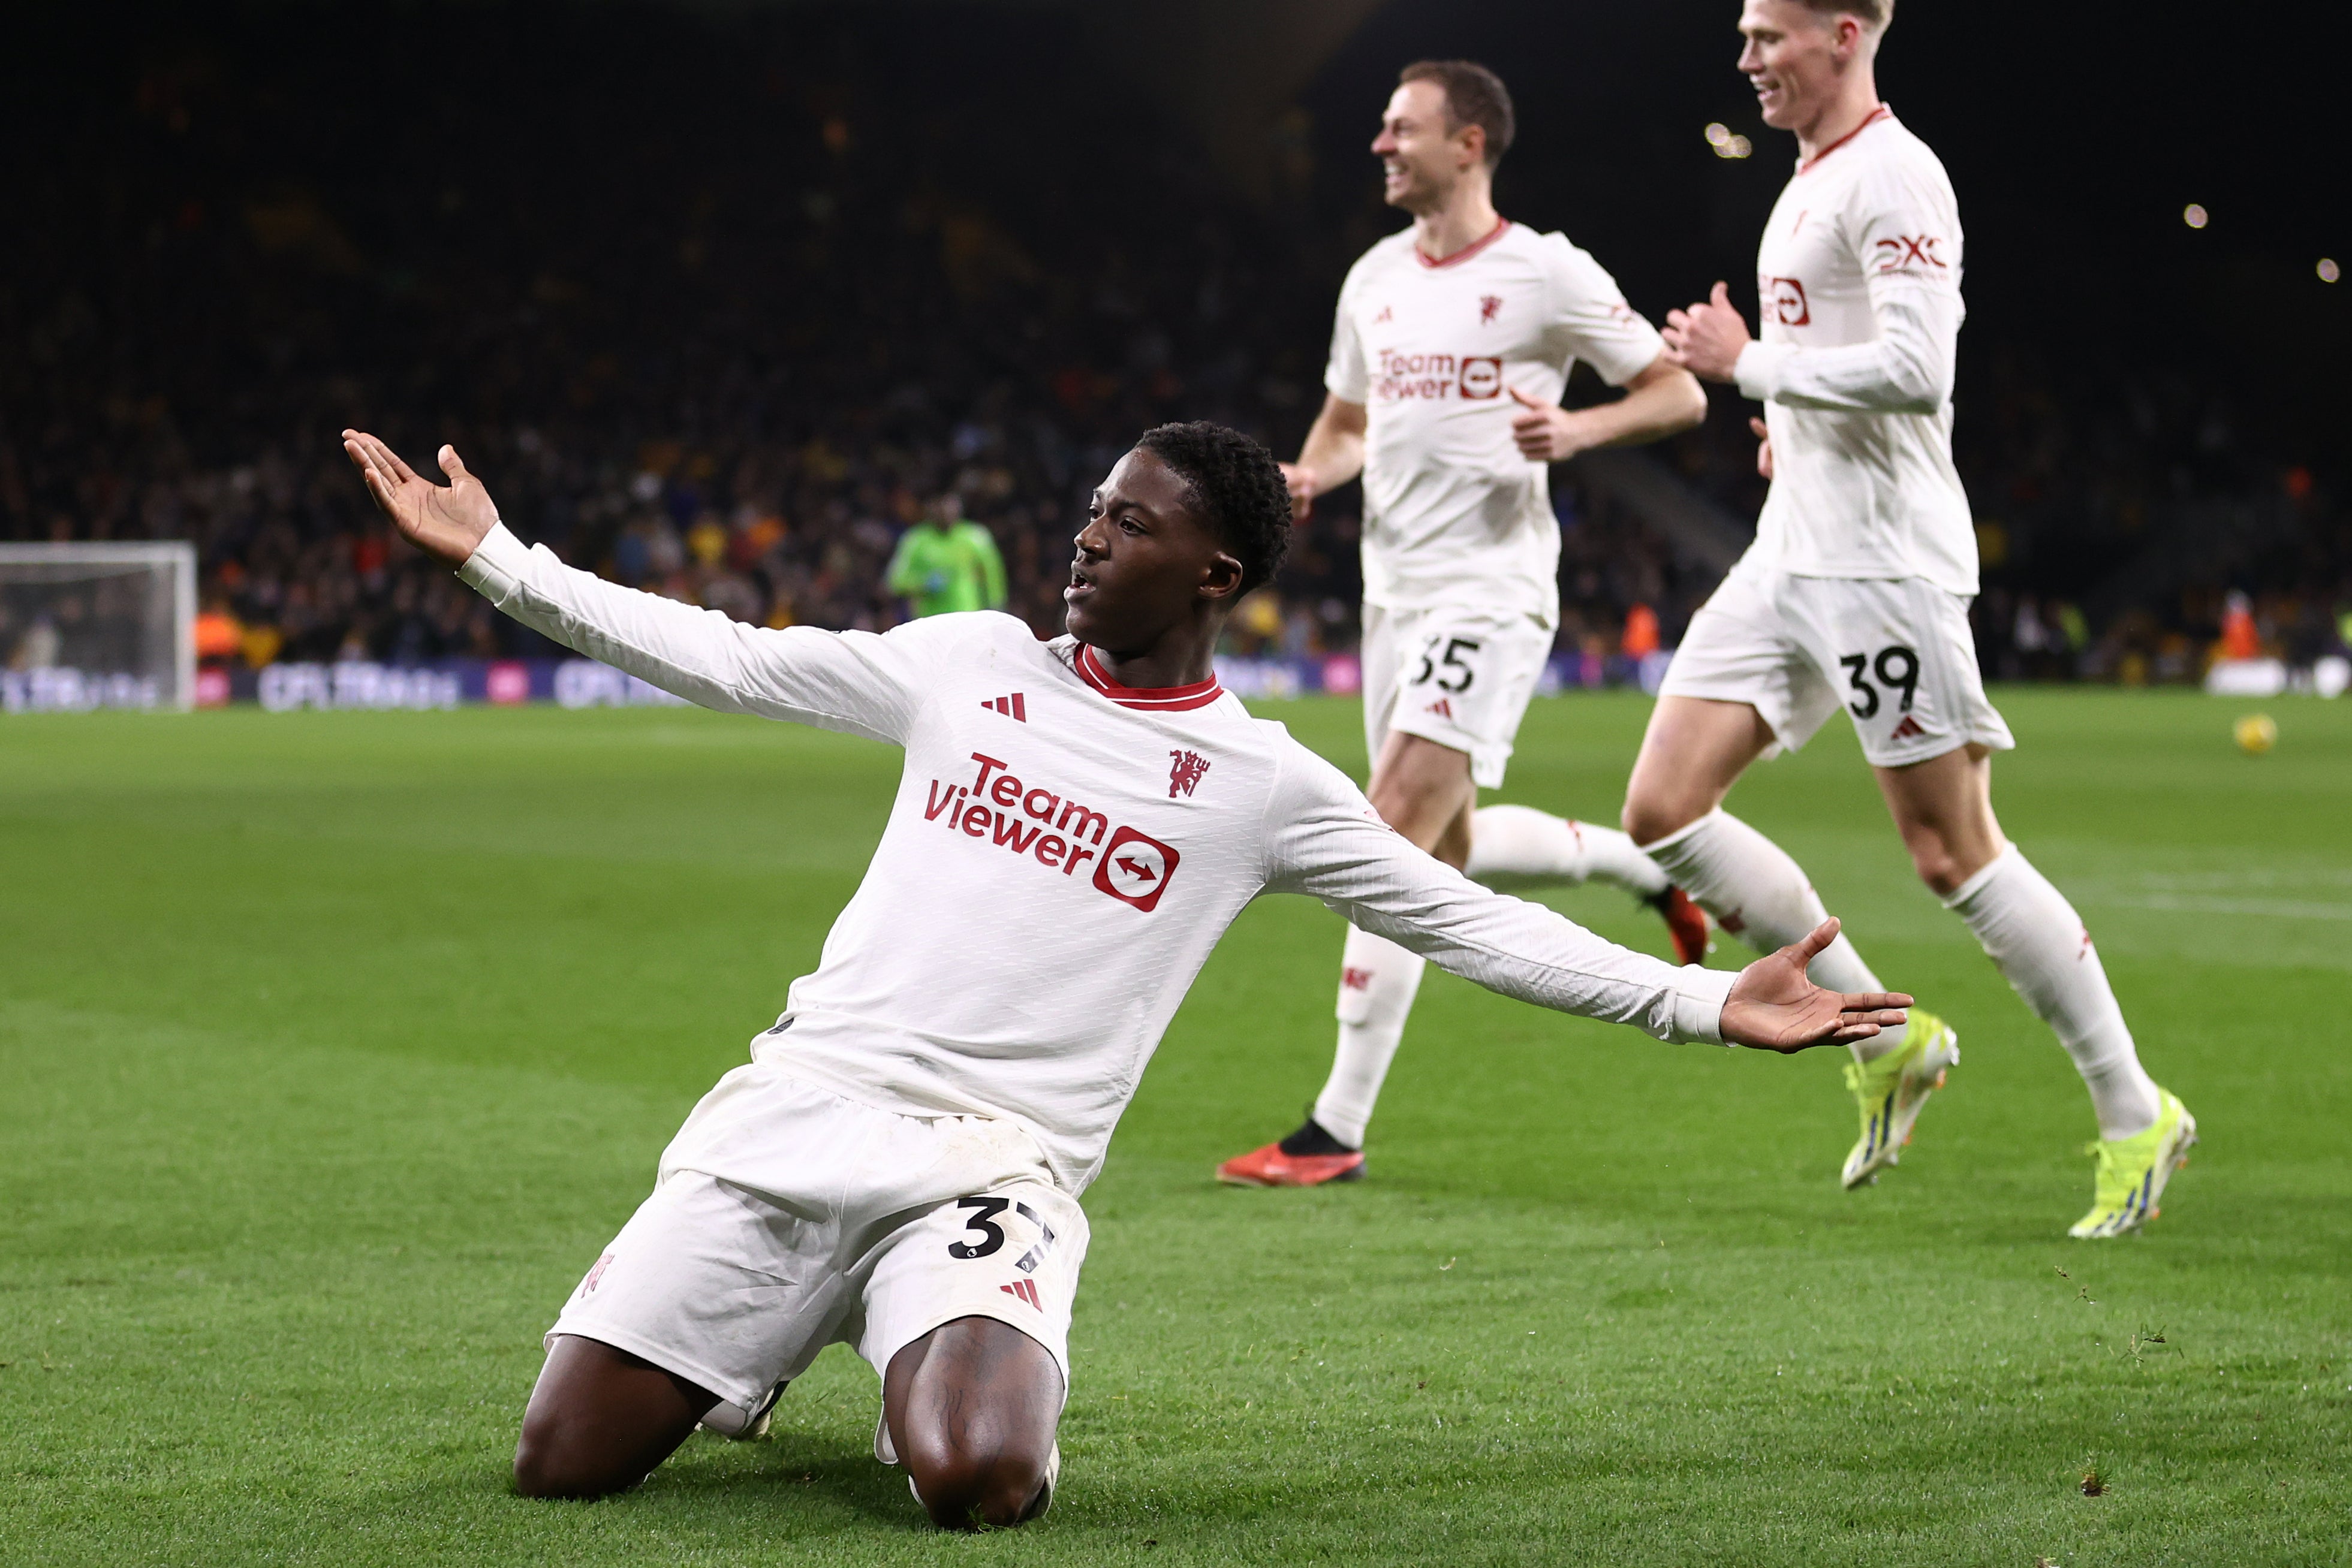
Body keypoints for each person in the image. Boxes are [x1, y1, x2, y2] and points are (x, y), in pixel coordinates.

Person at [340, 419, 1908, 1528]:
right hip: (798, 1111)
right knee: (562, 1468)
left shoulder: (1260, 784)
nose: (1088, 537)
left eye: (1130, 522)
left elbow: (1460, 914)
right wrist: (503, 565)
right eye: (1092, 511)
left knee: (974, 1485)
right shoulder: (967, 664)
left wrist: (1703, 1002)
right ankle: (770, 1336)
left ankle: (904, 1333)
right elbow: (734, 655)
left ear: (1215, 570)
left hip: (990, 1174)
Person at [1643, 0, 2194, 1236]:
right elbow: (1841, 370)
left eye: (1766, 36)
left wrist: (1750, 369)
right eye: (1739, 37)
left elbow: (1916, 370)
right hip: (1789, 552)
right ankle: (1883, 1041)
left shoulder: (1895, 175)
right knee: (1663, 810)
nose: (1743, 60)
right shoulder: (1805, 177)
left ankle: (2131, 1110)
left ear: (1841, 34)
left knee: (1951, 852)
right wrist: (1781, 425)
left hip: (1880, 568)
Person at [1217, 60, 1715, 1189]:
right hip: (1391, 588)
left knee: (1384, 829)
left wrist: (1577, 433)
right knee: (1441, 848)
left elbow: (1675, 393)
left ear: (1470, 143)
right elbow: (1347, 421)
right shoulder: (1373, 279)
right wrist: (1309, 473)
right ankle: (1632, 863)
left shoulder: (1542, 271)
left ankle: (1333, 1129)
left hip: (1488, 591)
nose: (1381, 145)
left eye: (1403, 129)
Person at [885, 491, 1007, 618]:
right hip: (929, 622)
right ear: (931, 508)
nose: (946, 511)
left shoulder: (976, 538)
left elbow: (994, 577)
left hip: (967, 618)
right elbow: (895, 582)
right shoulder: (915, 540)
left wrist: (997, 610)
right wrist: (923, 584)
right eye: (941, 506)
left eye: (951, 505)